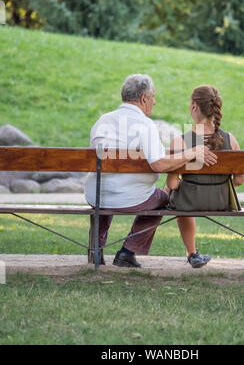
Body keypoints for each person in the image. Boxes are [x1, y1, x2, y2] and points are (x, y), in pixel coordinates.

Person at [84, 74, 218, 268]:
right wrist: (193, 152)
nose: (154, 102)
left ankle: (96, 249)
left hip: (95, 195)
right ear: (143, 98)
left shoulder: (103, 120)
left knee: (106, 191)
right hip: (131, 197)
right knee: (163, 199)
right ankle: (127, 252)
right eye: (153, 97)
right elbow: (159, 164)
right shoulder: (145, 125)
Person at [167, 85, 244, 269]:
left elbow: (172, 183)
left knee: (178, 196)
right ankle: (193, 253)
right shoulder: (230, 139)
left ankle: (191, 253)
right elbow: (240, 180)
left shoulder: (180, 141)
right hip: (221, 202)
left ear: (194, 106)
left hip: (188, 203)